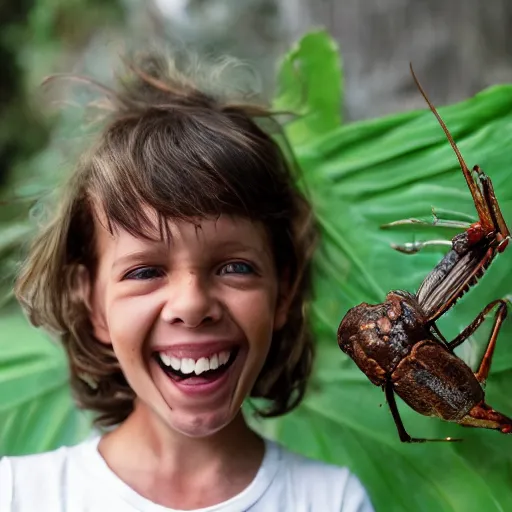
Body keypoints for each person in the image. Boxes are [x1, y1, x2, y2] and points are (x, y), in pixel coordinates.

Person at [0, 51, 374, 511]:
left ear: (284, 290)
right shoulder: (20, 495)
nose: (192, 304)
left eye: (235, 267)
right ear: (93, 304)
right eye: (144, 272)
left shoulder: (330, 501)